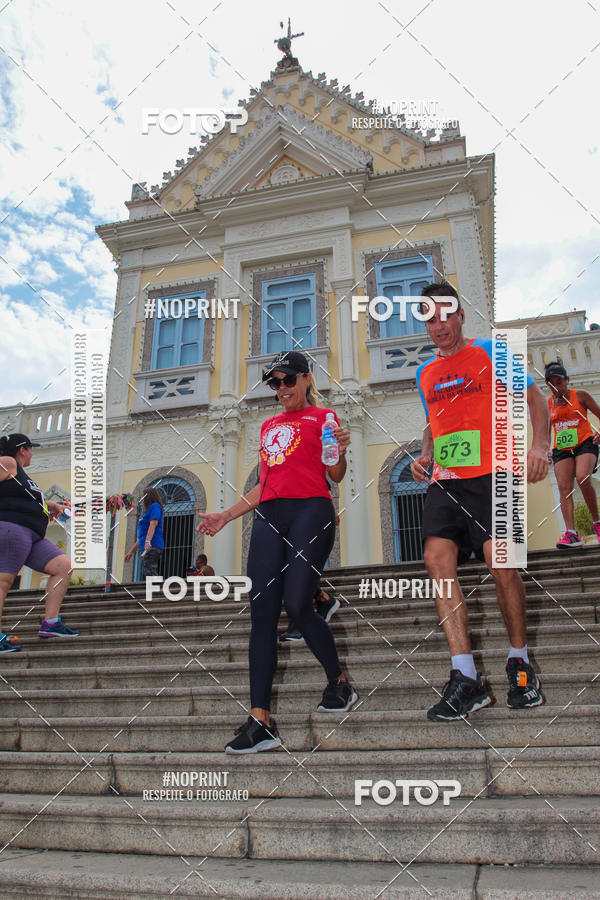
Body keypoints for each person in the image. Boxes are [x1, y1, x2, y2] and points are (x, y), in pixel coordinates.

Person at [197, 349, 358, 754]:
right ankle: (260, 720)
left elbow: (334, 474)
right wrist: (226, 516)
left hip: (312, 509)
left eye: (288, 379)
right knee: (263, 612)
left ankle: (338, 681)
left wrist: (340, 449)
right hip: (270, 514)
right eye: (275, 383)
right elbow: (265, 484)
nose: (281, 388)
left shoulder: (325, 418)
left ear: (306, 379)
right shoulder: (269, 425)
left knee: (297, 602)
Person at [410, 283, 550, 720]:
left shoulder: (492, 351)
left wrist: (540, 446)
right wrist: (425, 454)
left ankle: (519, 660)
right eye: (429, 320)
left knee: (501, 563)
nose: (439, 327)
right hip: (448, 480)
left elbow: (535, 398)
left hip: (497, 474)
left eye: (444, 316)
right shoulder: (425, 373)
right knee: (437, 560)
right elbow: (435, 420)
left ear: (460, 315)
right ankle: (465, 676)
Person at [0, 433, 80, 652]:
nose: (33, 453)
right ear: (22, 449)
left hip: (33, 535)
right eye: (30, 448)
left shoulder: (23, 475)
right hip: (11, 528)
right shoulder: (7, 462)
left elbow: (33, 497)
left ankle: (51, 623)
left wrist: (55, 507)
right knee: (4, 581)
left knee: (63, 565)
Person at [544, 361, 600, 547]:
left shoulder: (580, 396)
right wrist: (545, 449)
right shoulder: (549, 403)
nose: (556, 387)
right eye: (551, 383)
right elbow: (546, 430)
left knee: (583, 477)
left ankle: (597, 523)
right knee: (563, 487)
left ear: (567, 380)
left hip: (585, 442)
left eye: (559, 382)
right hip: (562, 448)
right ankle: (571, 533)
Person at [125, 487, 165, 577]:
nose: (142, 499)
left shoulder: (155, 506)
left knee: (150, 572)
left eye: (143, 497)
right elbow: (141, 537)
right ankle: (153, 589)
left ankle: (155, 590)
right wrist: (131, 552)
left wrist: (148, 541)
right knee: (148, 571)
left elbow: (153, 523)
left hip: (153, 545)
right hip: (147, 545)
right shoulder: (148, 511)